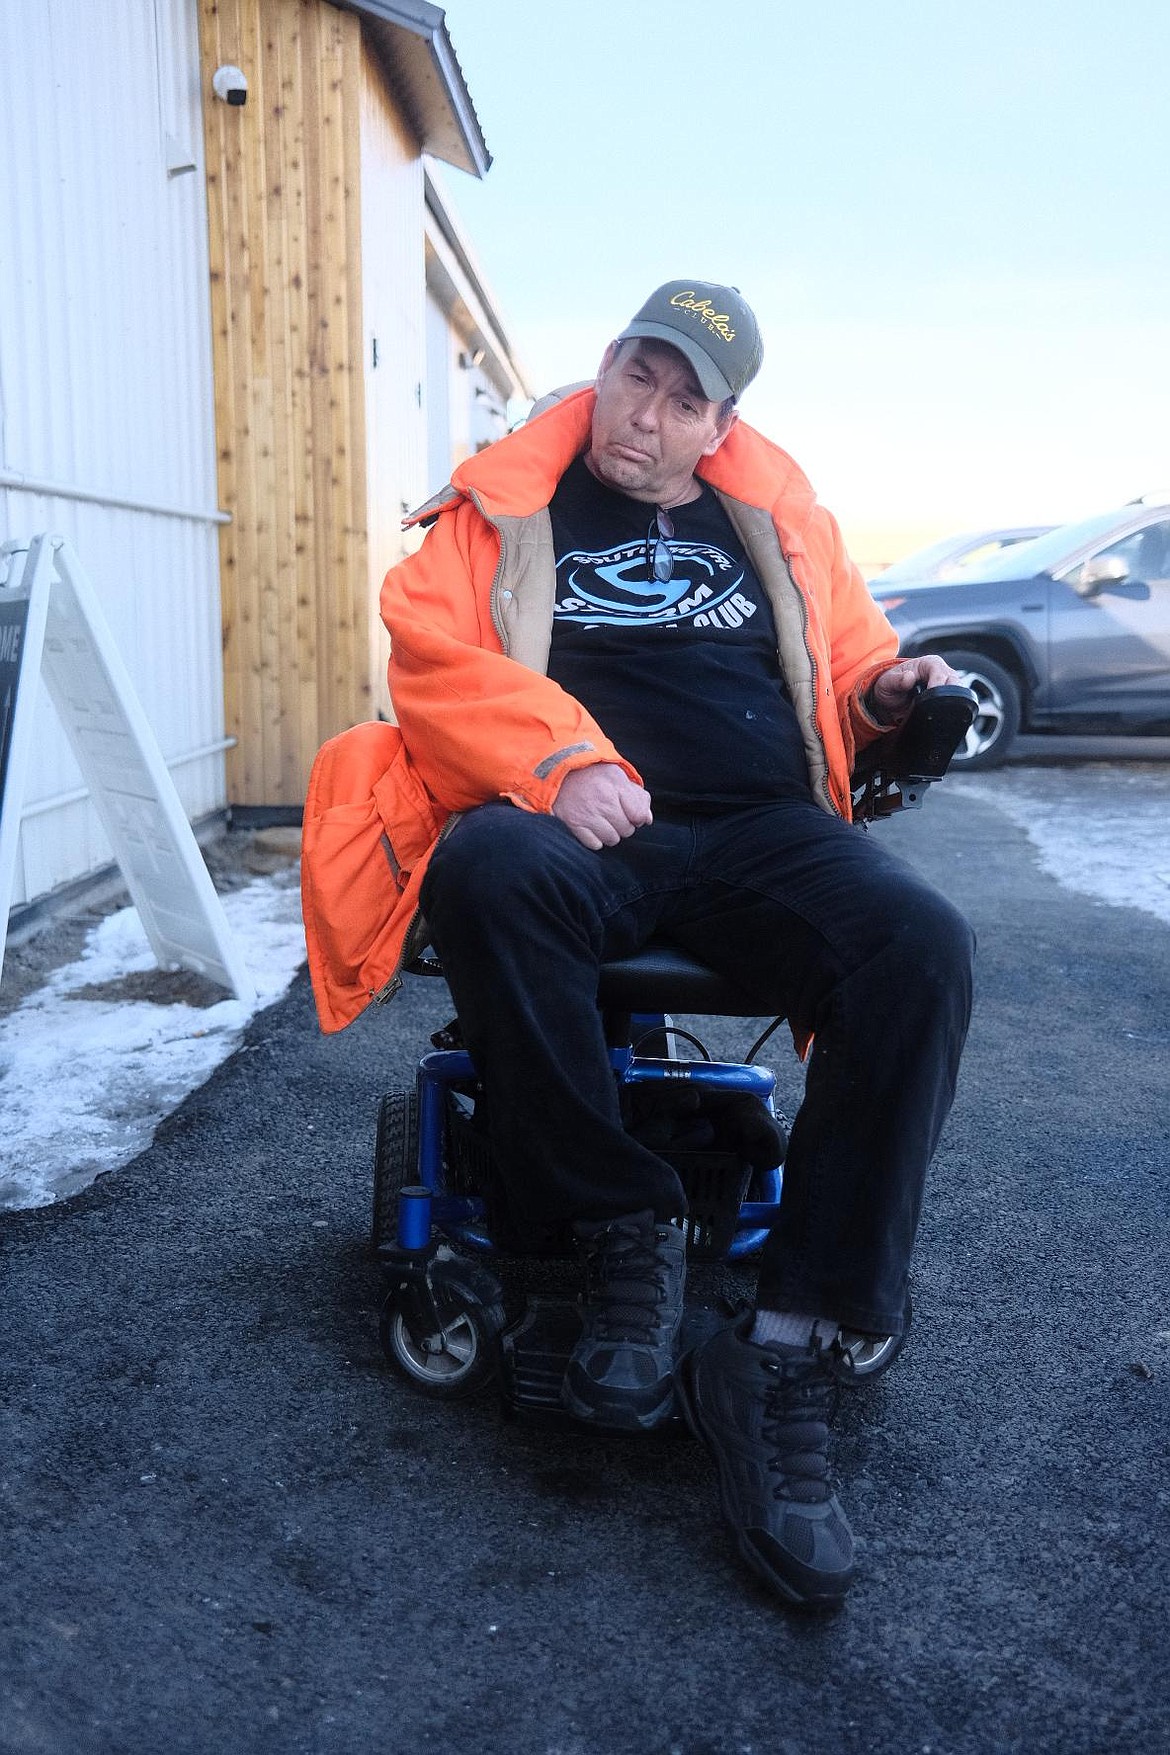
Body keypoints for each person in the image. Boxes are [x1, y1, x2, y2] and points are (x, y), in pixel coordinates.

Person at [302, 280, 974, 1610]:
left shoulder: (774, 522)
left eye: (684, 400)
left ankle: (783, 1339)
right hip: (578, 817)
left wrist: (894, 693)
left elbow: (850, 662)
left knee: (919, 945)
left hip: (759, 831)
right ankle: (619, 1221)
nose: (646, 420)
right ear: (601, 368)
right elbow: (429, 658)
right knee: (486, 868)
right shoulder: (505, 507)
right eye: (635, 379)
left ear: (720, 422)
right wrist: (558, 764)